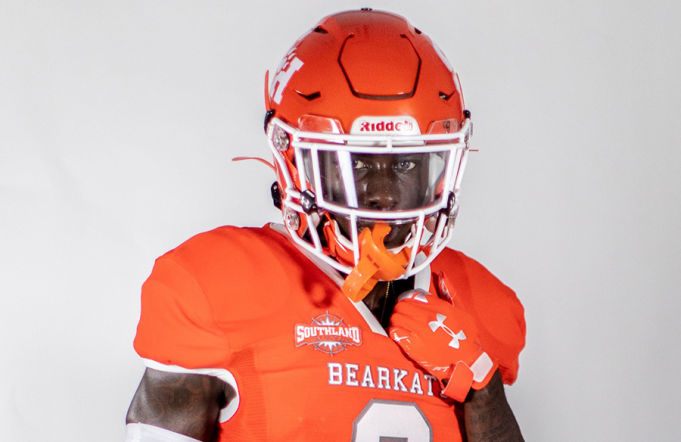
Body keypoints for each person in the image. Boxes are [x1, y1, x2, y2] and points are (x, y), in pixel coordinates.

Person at [126, 9, 526, 442]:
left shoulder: (476, 300)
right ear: (294, 160)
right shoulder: (216, 284)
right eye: (356, 163)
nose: (384, 194)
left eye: (406, 162)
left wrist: (481, 385)